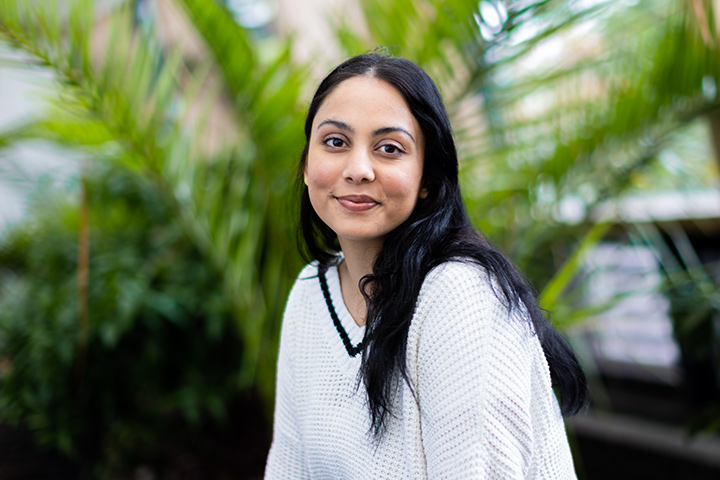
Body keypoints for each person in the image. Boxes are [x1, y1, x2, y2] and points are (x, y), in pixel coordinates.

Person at [265, 53, 589, 479]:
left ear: (428, 181)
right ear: (308, 165)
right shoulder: (310, 290)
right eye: (336, 142)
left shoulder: (461, 294)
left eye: (389, 148)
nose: (358, 169)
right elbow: (288, 466)